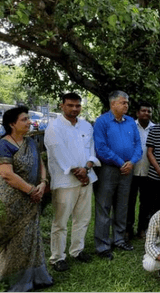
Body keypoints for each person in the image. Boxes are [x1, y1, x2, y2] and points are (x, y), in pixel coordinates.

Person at [44, 93, 101, 272]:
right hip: (65, 181)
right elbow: (59, 154)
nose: (74, 109)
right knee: (60, 222)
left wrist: (88, 167)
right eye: (70, 105)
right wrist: (80, 173)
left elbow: (92, 148)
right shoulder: (54, 127)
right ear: (62, 106)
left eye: (77, 105)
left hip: (87, 177)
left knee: (83, 218)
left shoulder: (85, 125)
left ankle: (77, 250)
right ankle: (57, 257)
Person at [0, 106, 53, 292]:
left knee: (31, 238)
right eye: (24, 119)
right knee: (16, 241)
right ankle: (14, 281)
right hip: (12, 200)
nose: (29, 122)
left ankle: (36, 278)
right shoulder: (4, 144)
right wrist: (31, 190)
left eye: (29, 119)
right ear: (12, 124)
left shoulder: (30, 142)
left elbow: (41, 165)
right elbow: (7, 174)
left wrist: (43, 182)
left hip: (33, 198)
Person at [93, 90, 142, 260]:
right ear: (112, 104)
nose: (126, 105)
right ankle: (103, 245)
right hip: (108, 169)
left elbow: (138, 145)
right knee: (104, 206)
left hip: (128, 169)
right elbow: (101, 148)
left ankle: (119, 239)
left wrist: (132, 162)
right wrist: (121, 162)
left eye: (127, 102)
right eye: (123, 102)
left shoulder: (130, 122)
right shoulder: (102, 121)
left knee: (122, 205)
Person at [126, 102, 155, 241]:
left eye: (149, 111)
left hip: (149, 172)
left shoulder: (155, 129)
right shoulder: (130, 126)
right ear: (137, 113)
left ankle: (142, 229)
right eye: (143, 111)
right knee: (129, 202)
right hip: (131, 171)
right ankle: (128, 229)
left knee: (146, 203)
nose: (146, 113)